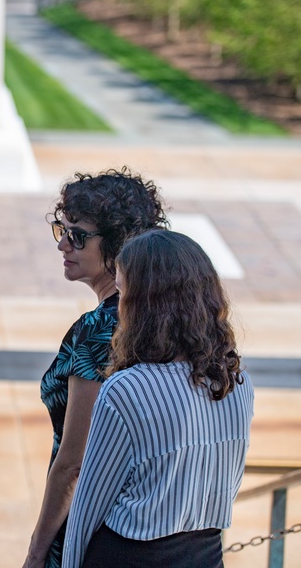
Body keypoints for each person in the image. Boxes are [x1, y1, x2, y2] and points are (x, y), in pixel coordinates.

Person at [62, 230, 254, 567]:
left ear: (143, 304)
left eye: (122, 291)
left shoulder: (126, 390)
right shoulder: (237, 382)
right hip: (205, 556)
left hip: (128, 556)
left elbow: (89, 504)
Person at [24, 168, 167, 568]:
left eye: (78, 236)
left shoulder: (98, 330)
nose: (63, 245)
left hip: (86, 522)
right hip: (141, 518)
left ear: (119, 245)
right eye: (61, 229)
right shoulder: (162, 319)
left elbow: (73, 464)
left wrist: (36, 552)